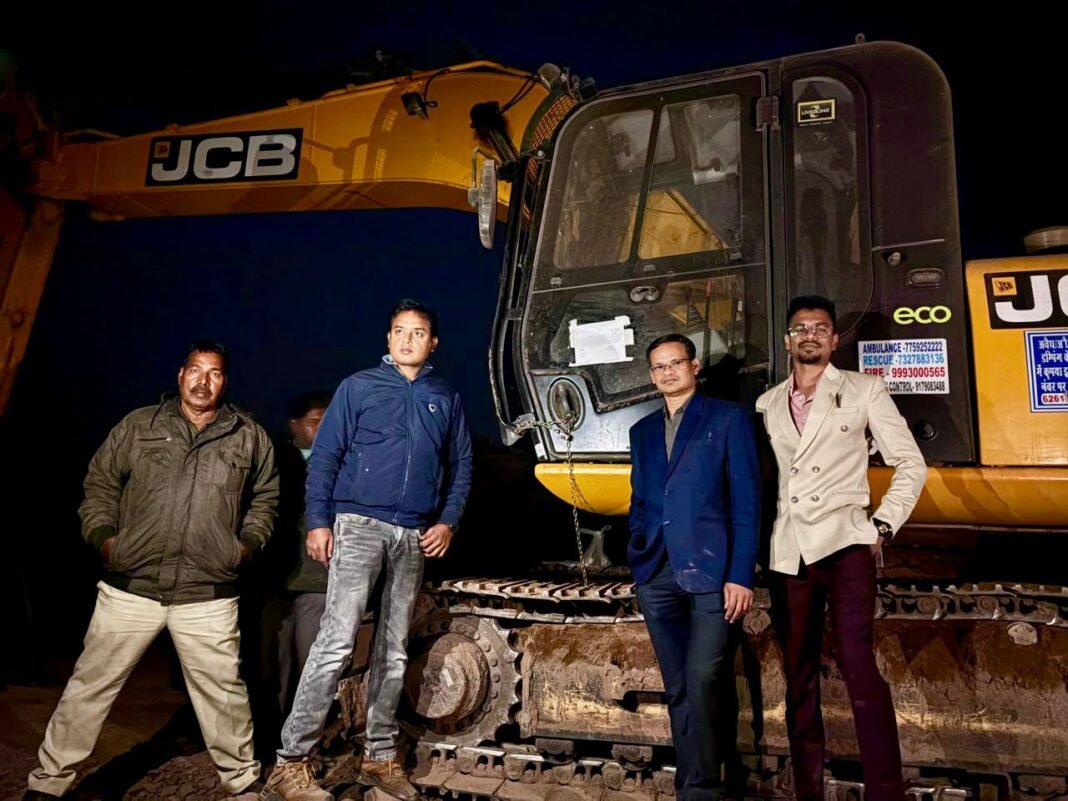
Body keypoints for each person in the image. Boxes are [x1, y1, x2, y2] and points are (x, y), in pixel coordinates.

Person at [25, 339, 278, 800]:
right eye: (195, 370)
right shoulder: (139, 425)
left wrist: (243, 548)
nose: (203, 381)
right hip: (131, 586)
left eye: (214, 373)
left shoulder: (248, 435)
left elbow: (265, 499)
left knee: (224, 693)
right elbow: (100, 483)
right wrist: (106, 540)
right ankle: (49, 782)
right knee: (90, 686)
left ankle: (242, 782)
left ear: (225, 381)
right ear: (180, 375)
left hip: (207, 591)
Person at [265, 300, 473, 801]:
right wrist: (319, 521)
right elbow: (326, 455)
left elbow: (462, 463)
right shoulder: (358, 387)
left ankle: (378, 757)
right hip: (358, 525)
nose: (407, 340)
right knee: (336, 643)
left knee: (394, 649)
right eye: (399, 331)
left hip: (413, 534)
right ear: (387, 338)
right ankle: (290, 764)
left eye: (417, 333)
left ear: (433, 343)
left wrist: (447, 521)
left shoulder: (444, 396)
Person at [755, 295, 927, 801]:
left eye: (820, 328)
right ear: (788, 341)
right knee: (799, 673)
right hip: (790, 552)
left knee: (858, 663)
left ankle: (885, 791)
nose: (809, 335)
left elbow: (910, 463)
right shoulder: (767, 404)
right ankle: (807, 789)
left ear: (833, 340)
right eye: (800, 328)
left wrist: (883, 526)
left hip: (848, 543)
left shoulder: (864, 389)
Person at [627, 333, 761, 801]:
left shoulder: (728, 419)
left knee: (704, 677)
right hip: (657, 573)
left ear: (694, 366)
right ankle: (693, 785)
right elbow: (641, 500)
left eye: (675, 363)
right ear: (652, 375)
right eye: (659, 366)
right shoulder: (642, 432)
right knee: (679, 686)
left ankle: (705, 787)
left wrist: (740, 574)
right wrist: (638, 551)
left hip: (711, 573)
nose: (668, 372)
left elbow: (746, 502)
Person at [253, 391, 331, 755]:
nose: (322, 428)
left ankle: (299, 742)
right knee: (271, 665)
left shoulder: (338, 461)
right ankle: (268, 736)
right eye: (314, 421)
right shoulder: (272, 459)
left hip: (316, 581)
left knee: (310, 665)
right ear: (295, 425)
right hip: (275, 582)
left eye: (327, 421)